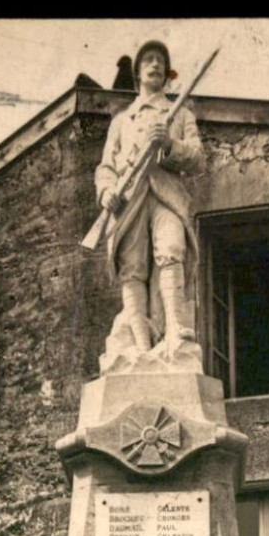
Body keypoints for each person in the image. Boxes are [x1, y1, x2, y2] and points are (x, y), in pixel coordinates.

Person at [95, 40, 206, 358]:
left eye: (160, 61)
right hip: (128, 200)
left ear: (166, 73)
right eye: (148, 60)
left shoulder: (180, 114)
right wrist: (107, 193)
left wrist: (169, 144)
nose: (155, 65)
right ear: (138, 72)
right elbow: (105, 167)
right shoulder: (121, 121)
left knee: (171, 250)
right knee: (132, 268)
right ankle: (142, 348)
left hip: (166, 195)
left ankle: (175, 333)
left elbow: (198, 160)